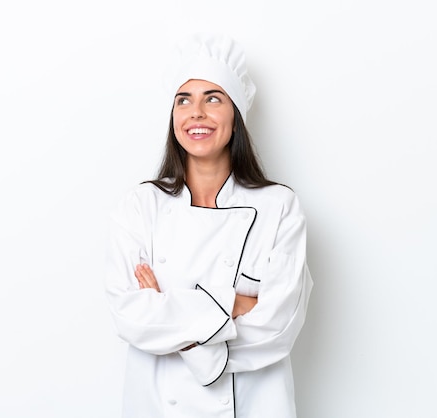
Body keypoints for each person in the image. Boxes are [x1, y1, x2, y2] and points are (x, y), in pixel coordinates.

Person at [105, 32, 313, 418]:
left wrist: (168, 307)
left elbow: (278, 328)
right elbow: (130, 316)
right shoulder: (140, 207)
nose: (196, 113)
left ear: (236, 117)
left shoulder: (278, 207)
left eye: (213, 98)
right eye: (184, 100)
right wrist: (236, 303)